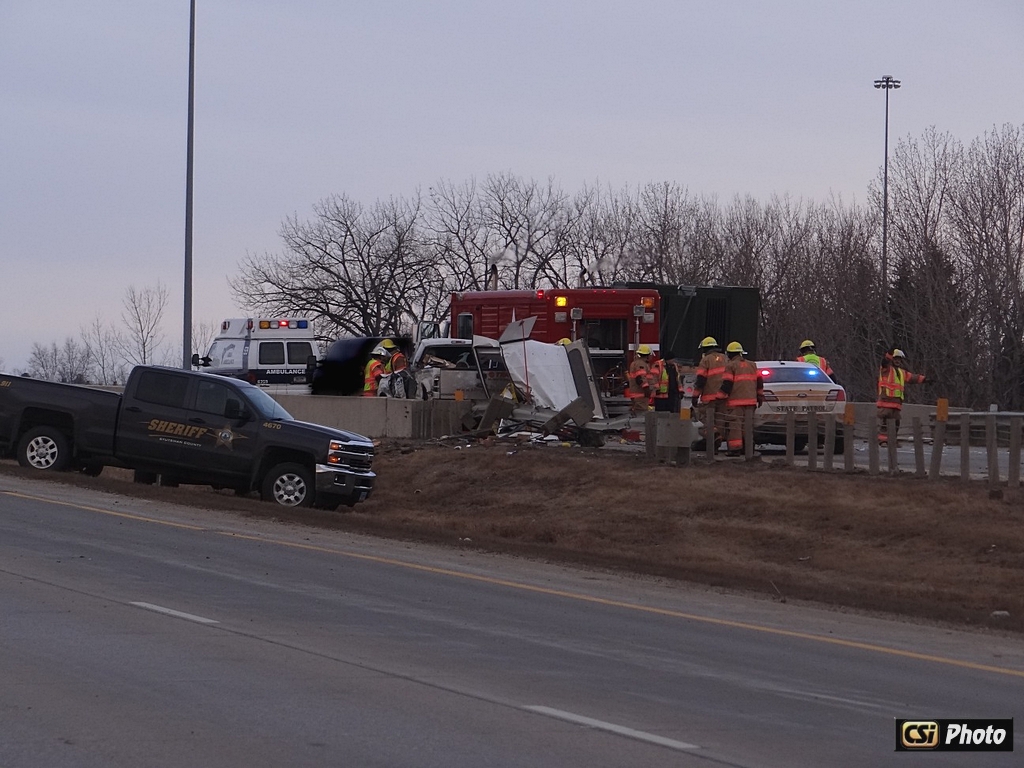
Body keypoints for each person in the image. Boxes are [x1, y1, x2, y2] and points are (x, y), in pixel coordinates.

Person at [720, 342, 764, 456]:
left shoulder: (731, 366)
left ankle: (735, 450)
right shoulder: (752, 365)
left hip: (735, 402)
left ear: (730, 354)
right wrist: (760, 396)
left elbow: (727, 384)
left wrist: (720, 397)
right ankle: (748, 448)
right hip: (751, 402)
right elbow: (759, 383)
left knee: (735, 426)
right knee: (747, 426)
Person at [877, 348, 926, 444]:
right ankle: (883, 441)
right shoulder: (886, 369)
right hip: (886, 402)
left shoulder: (901, 372)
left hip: (896, 404)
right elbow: (884, 362)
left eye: (899, 359)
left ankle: (891, 441)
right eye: (895, 359)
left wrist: (925, 379)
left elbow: (913, 377)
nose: (897, 361)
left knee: (896, 423)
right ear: (892, 359)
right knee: (885, 424)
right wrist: (889, 354)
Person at [691, 336, 728, 450]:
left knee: (706, 421)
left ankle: (711, 441)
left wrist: (695, 396)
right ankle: (717, 442)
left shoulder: (706, 360)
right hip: (723, 396)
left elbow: (701, 380)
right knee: (720, 420)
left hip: (709, 397)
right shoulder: (725, 358)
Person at [626, 344, 653, 414]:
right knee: (641, 414)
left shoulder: (636, 363)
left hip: (637, 395)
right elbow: (640, 378)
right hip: (641, 395)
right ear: (647, 355)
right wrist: (646, 389)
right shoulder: (641, 364)